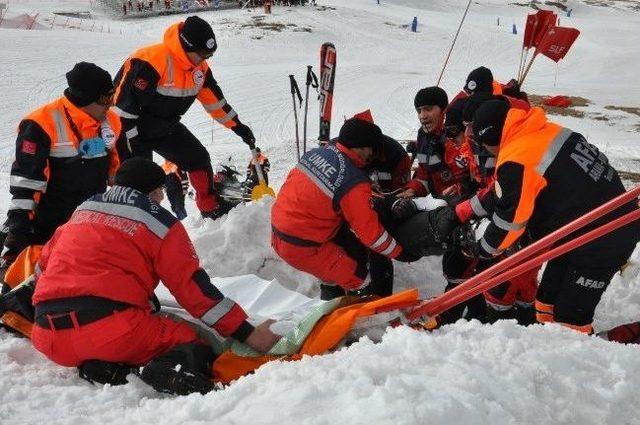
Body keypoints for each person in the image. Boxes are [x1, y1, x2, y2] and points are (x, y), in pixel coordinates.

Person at [31, 158, 280, 395]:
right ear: (153, 191)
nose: (162, 197)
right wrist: (248, 332)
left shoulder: (83, 211)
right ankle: (155, 371)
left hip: (47, 336)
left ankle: (109, 370)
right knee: (192, 341)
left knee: (114, 331)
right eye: (160, 190)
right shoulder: (159, 223)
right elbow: (193, 291)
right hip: (111, 333)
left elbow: (41, 270)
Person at [459, 99, 639, 333]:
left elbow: (510, 223)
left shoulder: (516, 157)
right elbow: (512, 193)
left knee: (569, 320)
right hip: (579, 230)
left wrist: (482, 248)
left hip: (605, 237)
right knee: (546, 301)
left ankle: (594, 359)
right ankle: (549, 345)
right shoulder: (545, 130)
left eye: (483, 144)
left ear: (490, 138)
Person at [112, 15, 257, 219]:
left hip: (165, 127)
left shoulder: (200, 69)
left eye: (208, 56)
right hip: (131, 130)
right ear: (185, 46)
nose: (203, 60)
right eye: (200, 54)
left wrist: (238, 127)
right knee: (141, 181)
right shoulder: (150, 60)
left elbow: (215, 103)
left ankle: (210, 207)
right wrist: (133, 143)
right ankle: (135, 221)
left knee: (198, 159)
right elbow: (122, 111)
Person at [1, 62, 121, 288]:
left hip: (89, 220)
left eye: (112, 97)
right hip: (49, 223)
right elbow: (26, 184)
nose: (111, 105)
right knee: (36, 286)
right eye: (105, 99)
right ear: (85, 99)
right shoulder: (40, 124)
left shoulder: (111, 122)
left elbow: (118, 167)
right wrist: (19, 228)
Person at [271, 118, 404, 300]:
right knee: (359, 278)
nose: (371, 155)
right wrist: (400, 252)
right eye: (371, 149)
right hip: (305, 247)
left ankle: (331, 302)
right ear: (361, 146)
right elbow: (371, 235)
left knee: (335, 269)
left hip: (279, 234)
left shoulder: (316, 153)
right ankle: (365, 322)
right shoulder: (353, 181)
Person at [398, 87, 475, 204]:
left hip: (463, 202)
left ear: (443, 110)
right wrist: (413, 189)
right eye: (419, 111)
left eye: (428, 109)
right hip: (439, 201)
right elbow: (424, 173)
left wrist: (456, 191)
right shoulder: (423, 137)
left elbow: (470, 178)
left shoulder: (455, 135)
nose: (422, 116)